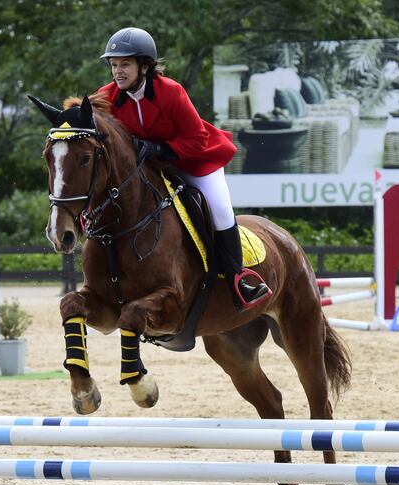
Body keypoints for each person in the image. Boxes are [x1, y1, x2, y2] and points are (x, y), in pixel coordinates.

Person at [97, 27, 271, 312]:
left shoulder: (171, 92)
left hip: (194, 161)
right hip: (151, 169)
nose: (118, 71)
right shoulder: (108, 96)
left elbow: (197, 138)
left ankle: (239, 279)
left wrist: (161, 149)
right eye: (114, 65)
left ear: (144, 66)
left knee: (220, 207)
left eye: (125, 64)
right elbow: (86, 120)